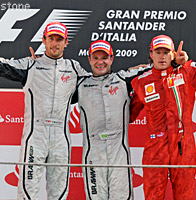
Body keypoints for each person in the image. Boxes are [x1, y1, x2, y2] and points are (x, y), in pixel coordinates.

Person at [0, 21, 87, 200]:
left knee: (60, 194)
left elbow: (99, 85)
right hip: (36, 137)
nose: (55, 43)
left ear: (66, 43)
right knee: (28, 191)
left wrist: (136, 73)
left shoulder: (74, 69)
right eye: (51, 38)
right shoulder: (31, 65)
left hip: (61, 138)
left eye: (59, 39)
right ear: (44, 40)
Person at [130, 5, 196, 200]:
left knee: (185, 197)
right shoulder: (141, 82)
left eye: (166, 52)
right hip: (155, 148)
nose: (161, 56)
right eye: (157, 52)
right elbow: (128, 114)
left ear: (173, 54)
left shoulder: (188, 72)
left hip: (183, 147)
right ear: (150, 54)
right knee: (152, 196)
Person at [72, 40, 187, 199]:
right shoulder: (79, 84)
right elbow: (54, 87)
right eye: (96, 57)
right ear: (89, 59)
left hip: (119, 150)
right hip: (93, 152)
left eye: (104, 57)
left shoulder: (124, 79)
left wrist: (175, 62)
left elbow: (154, 68)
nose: (100, 62)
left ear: (111, 59)